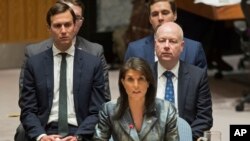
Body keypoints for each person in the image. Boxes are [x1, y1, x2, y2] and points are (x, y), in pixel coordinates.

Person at [17, 2, 106, 141]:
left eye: (68, 24)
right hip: (46, 128)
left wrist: (78, 137)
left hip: (80, 129)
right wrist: (41, 136)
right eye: (57, 26)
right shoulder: (34, 64)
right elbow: (28, 110)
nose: (63, 30)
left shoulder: (93, 63)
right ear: (49, 28)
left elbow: (97, 110)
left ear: (74, 25)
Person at [19, 0, 111, 101]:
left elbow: (103, 98)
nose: (64, 28)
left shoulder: (94, 52)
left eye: (76, 18)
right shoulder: (34, 52)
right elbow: (26, 100)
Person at [92, 57, 179, 141]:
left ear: (148, 82)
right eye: (130, 79)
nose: (136, 85)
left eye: (141, 79)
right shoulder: (109, 110)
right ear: (123, 82)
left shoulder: (167, 110)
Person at [154, 22, 213, 140]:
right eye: (162, 40)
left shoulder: (197, 76)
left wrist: (185, 137)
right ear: (155, 44)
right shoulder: (143, 75)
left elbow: (204, 118)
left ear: (182, 46)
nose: (166, 45)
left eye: (172, 41)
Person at [124, 0, 207, 69]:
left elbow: (201, 86)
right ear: (150, 19)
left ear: (175, 15)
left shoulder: (194, 49)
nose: (160, 18)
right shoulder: (134, 50)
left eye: (165, 13)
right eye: (155, 14)